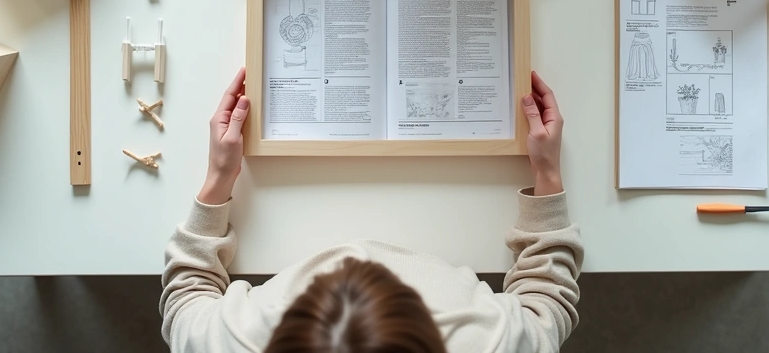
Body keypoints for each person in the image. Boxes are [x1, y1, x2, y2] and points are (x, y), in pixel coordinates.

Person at [161, 68, 583, 352]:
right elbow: (547, 301)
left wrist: (218, 177)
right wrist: (547, 174)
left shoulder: (237, 339)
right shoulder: (489, 340)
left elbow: (185, 296)